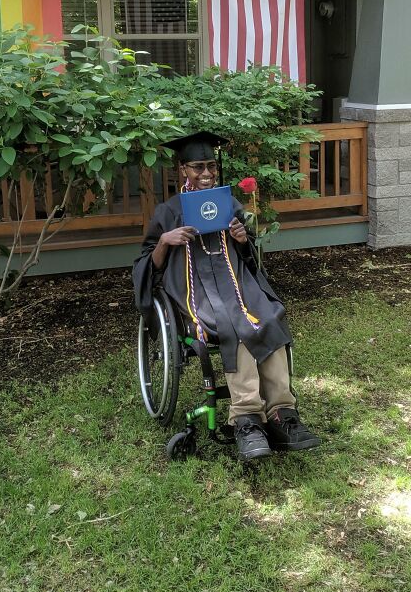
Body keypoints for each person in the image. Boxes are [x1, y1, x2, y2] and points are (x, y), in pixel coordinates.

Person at [132, 131, 320, 461]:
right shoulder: (168, 211)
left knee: (269, 315)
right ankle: (246, 419)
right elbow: (146, 265)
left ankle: (282, 414)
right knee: (236, 325)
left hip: (237, 286)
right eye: (197, 167)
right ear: (183, 170)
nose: (205, 174)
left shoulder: (228, 203)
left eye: (211, 167)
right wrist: (165, 241)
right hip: (195, 294)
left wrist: (242, 237)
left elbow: (251, 257)